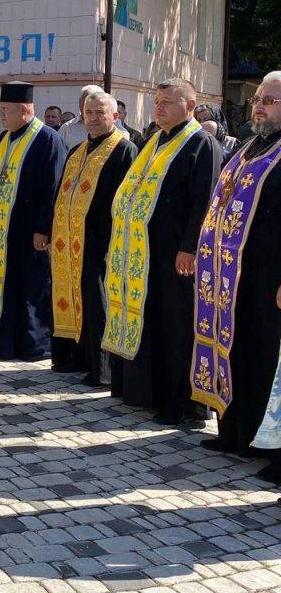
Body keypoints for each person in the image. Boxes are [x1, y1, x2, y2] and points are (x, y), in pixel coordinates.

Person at [103, 79, 222, 425]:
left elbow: (205, 202)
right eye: (157, 102)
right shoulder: (154, 140)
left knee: (177, 328)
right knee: (153, 321)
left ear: (189, 106)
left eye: (167, 102)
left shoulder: (202, 144)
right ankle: (150, 392)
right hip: (144, 254)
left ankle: (183, 403)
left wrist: (190, 247)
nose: (159, 108)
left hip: (177, 258)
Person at [194, 73, 281, 469]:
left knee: (262, 357)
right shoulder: (247, 147)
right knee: (233, 351)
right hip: (231, 279)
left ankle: (261, 444)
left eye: (270, 101)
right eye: (258, 99)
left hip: (267, 280)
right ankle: (232, 431)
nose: (259, 106)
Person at [0, 81, 67, 360]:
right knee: (4, 284)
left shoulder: (48, 139)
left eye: (5, 110)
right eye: (0, 110)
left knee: (29, 285)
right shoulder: (5, 137)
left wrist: (43, 229)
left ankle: (31, 344)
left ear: (24, 110)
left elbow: (53, 187)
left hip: (28, 229)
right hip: (1, 231)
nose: (0, 115)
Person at [49, 92, 137, 383]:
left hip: (102, 241)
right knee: (75, 298)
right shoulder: (77, 151)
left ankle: (102, 369)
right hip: (71, 241)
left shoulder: (124, 150)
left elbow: (126, 200)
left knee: (98, 303)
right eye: (89, 113)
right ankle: (73, 357)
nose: (95, 118)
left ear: (115, 116)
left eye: (101, 112)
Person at [58, 85, 103, 150]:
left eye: (95, 104)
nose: (90, 108)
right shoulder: (67, 129)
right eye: (86, 103)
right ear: (80, 103)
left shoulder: (113, 128)